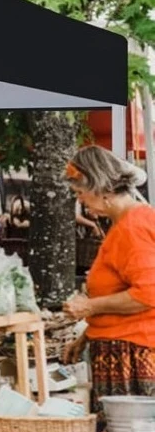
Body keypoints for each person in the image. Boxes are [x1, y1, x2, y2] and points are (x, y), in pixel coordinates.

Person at [63, 146, 155, 398]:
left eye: (80, 193)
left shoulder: (132, 228)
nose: (80, 200)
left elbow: (147, 294)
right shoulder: (127, 223)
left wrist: (89, 306)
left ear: (99, 187)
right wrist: (86, 336)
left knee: (127, 423)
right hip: (125, 347)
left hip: (132, 353)